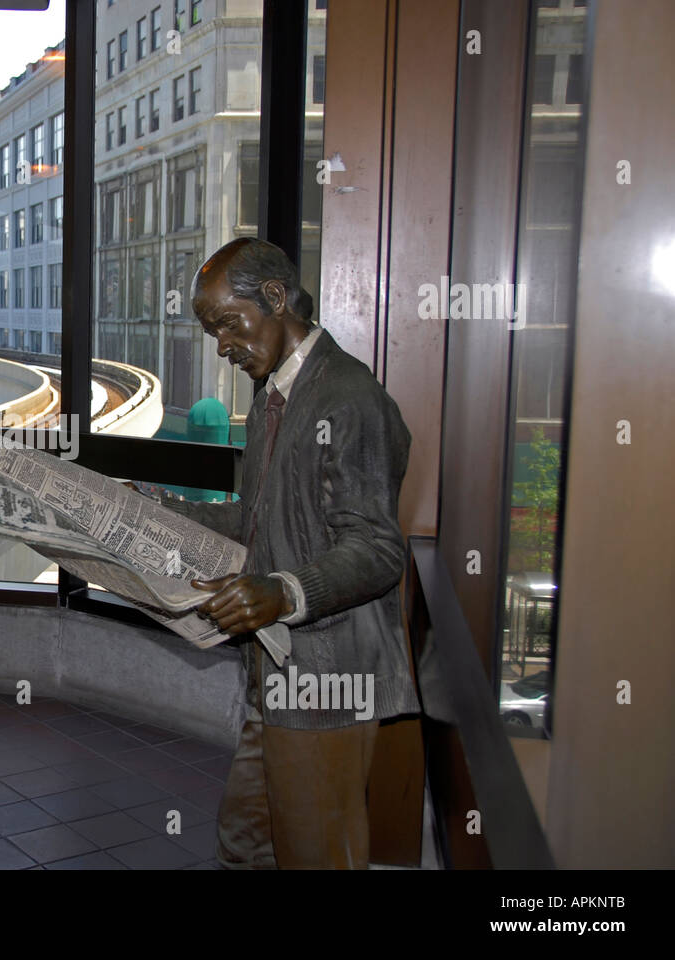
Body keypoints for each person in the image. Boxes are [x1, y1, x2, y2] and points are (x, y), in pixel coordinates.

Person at [162, 238, 418, 869]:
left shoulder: (348, 398)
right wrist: (163, 513)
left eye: (228, 323)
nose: (222, 346)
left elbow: (378, 549)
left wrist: (282, 592)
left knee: (317, 853)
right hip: (279, 679)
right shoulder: (275, 394)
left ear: (275, 297)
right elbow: (259, 521)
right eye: (211, 330)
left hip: (330, 683)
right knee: (247, 842)